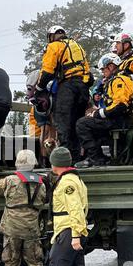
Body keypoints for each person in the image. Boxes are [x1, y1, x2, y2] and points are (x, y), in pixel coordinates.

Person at [0, 149, 46, 266]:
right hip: (31, 229)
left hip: (11, 229)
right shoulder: (41, 183)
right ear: (34, 163)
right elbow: (42, 202)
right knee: (35, 262)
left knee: (11, 262)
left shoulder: (9, 180)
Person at [35, 25, 92, 163]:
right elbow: (88, 72)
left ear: (51, 37)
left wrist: (39, 87)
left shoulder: (54, 46)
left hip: (68, 87)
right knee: (76, 124)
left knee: (62, 122)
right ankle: (76, 158)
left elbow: (48, 71)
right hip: (83, 87)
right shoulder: (76, 45)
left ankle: (65, 161)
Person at [75, 53, 133, 168]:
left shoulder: (119, 80)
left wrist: (98, 113)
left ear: (111, 66)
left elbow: (120, 105)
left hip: (120, 120)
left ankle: (95, 159)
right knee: (91, 123)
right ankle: (98, 157)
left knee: (82, 124)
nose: (102, 72)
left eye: (103, 69)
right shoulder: (115, 80)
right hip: (117, 119)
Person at [46, 147, 89, 266]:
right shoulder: (74, 178)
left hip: (68, 232)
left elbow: (75, 208)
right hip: (72, 231)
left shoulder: (67, 182)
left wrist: (75, 236)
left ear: (56, 164)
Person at [26, 70, 57, 167]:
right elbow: (30, 88)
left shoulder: (55, 74)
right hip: (41, 105)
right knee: (45, 130)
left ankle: (51, 158)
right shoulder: (38, 73)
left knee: (53, 131)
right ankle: (43, 160)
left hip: (52, 104)